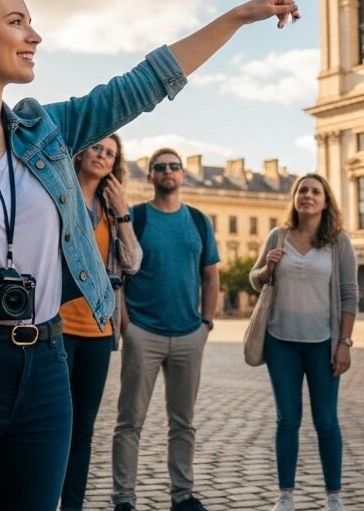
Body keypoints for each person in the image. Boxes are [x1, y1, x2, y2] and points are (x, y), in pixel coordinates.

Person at [0, 0, 305, 510]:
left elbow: (143, 83)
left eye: (31, 22)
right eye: (16, 22)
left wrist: (239, 16)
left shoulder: (48, 133)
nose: (34, 35)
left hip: (44, 372)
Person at [113, 147, 220, 511]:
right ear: (151, 176)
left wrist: (206, 323)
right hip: (143, 332)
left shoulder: (200, 221)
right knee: (130, 421)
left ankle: (183, 496)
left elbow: (211, 275)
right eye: (161, 167)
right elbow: (121, 272)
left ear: (183, 175)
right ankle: (124, 499)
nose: (168, 172)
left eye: (174, 167)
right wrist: (126, 322)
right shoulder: (137, 217)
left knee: (183, 423)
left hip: (190, 333)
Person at [249, 174, 357, 511]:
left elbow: (349, 295)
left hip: (322, 344)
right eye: (302, 191)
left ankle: (334, 497)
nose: (307, 196)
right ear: (295, 199)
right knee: (287, 420)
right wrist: (266, 269)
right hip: (281, 341)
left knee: (326, 420)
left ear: (326, 202)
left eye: (315, 191)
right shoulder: (278, 236)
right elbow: (256, 279)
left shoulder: (338, 242)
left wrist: (345, 342)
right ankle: (285, 496)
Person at [59, 134, 142, 511]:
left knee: (83, 430)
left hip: (97, 331)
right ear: (82, 152)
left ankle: (72, 505)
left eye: (110, 153)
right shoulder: (57, 193)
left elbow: (133, 262)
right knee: (49, 425)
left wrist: (122, 211)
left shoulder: (111, 209)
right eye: (97, 147)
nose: (102, 155)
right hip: (54, 328)